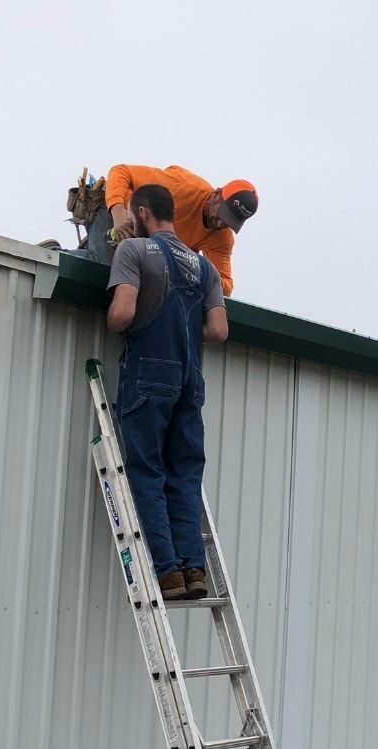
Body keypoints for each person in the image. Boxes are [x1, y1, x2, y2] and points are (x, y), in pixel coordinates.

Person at [106, 183, 229, 602]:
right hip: (190, 380)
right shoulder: (205, 266)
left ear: (141, 212)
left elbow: (122, 314)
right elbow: (218, 330)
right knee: (185, 474)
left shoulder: (135, 252)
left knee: (147, 472)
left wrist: (116, 316)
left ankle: (168, 574)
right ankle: (195, 569)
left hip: (149, 375)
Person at [78, 164, 258, 297]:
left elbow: (225, 285)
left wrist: (194, 267)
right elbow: (121, 171)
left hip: (141, 240)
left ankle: (93, 248)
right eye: (221, 214)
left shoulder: (222, 238)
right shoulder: (182, 188)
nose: (220, 223)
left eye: (229, 221)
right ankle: (55, 254)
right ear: (216, 194)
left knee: (136, 284)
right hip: (114, 209)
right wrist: (118, 213)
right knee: (106, 269)